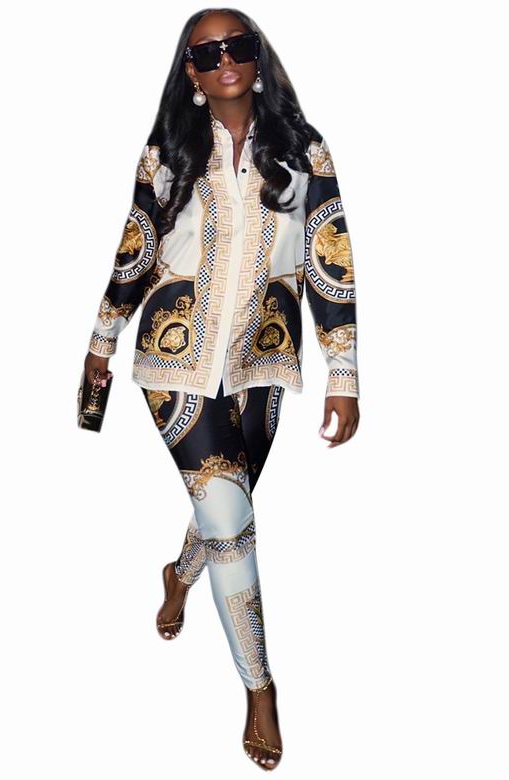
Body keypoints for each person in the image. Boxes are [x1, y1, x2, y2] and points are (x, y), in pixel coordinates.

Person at [82, 8, 360, 771]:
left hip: (261, 363)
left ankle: (178, 576)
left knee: (222, 510)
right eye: (207, 53)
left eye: (237, 46)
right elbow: (134, 251)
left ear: (257, 58)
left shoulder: (304, 151)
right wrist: (102, 342)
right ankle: (260, 688)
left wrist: (344, 374)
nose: (224, 60)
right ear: (192, 72)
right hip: (174, 361)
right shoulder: (168, 152)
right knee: (232, 522)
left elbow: (330, 261)